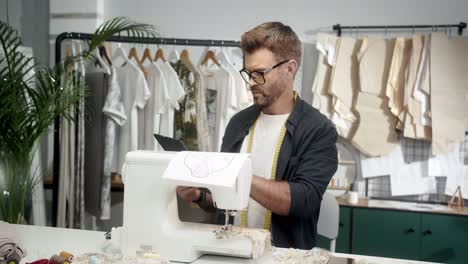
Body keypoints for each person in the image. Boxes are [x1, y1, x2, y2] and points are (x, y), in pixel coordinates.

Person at [177, 22, 338, 249]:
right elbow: (225, 199)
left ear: (290, 69)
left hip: (285, 257)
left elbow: (304, 201)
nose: (251, 82)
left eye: (260, 73)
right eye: (248, 73)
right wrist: (199, 196)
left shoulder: (319, 130)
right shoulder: (239, 123)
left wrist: (236, 174)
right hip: (232, 251)